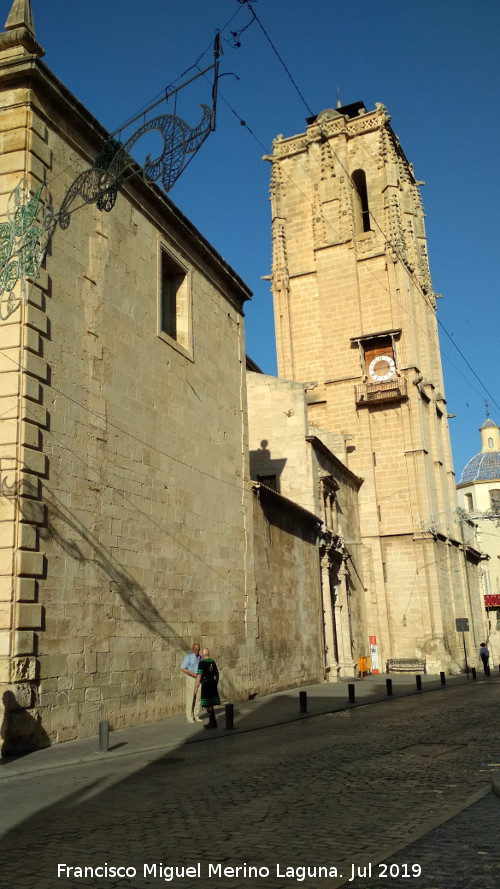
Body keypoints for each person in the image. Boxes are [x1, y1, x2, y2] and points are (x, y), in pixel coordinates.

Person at [194, 648, 220, 729]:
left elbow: (199, 674)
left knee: (208, 704)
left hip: (206, 685)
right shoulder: (213, 662)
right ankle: (212, 721)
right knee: (210, 703)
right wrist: (216, 683)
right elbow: (217, 674)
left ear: (202, 654)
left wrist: (196, 685)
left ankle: (213, 722)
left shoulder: (202, 663)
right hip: (212, 684)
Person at [180, 642, 201, 722]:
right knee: (190, 697)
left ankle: (196, 715)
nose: (197, 650)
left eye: (198, 649)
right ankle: (189, 716)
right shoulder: (188, 656)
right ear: (192, 649)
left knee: (198, 697)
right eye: (195, 649)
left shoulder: (200, 657)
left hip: (198, 678)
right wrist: (191, 673)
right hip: (191, 677)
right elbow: (182, 668)